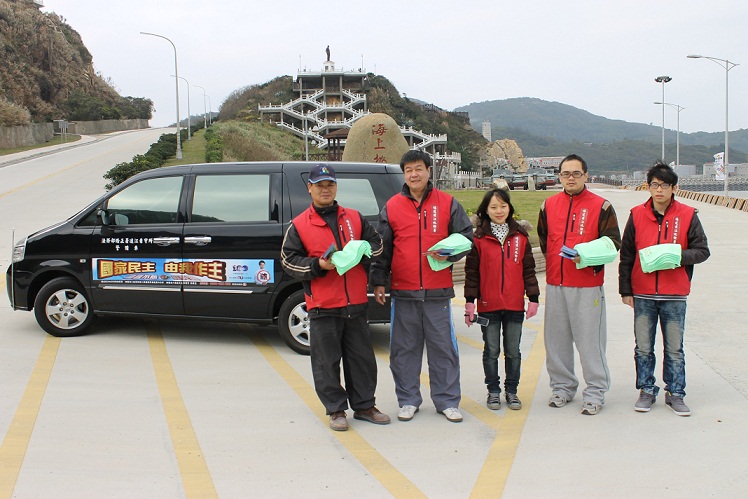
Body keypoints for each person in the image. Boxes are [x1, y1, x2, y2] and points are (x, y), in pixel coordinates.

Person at [281, 163, 390, 431]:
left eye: (329, 184)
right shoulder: (299, 225)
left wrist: (361, 249)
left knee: (362, 359)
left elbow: (378, 245)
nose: (325, 189)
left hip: (355, 303)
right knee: (326, 362)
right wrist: (319, 265)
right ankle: (336, 410)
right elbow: (288, 261)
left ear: (336, 187)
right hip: (322, 305)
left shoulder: (354, 217)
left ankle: (365, 406)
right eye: (319, 185)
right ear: (310, 189)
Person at [370, 150, 474, 423]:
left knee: (443, 348)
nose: (413, 174)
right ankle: (408, 400)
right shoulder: (392, 206)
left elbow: (466, 237)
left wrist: (450, 254)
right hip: (403, 293)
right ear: (404, 174)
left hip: (437, 292)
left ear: (429, 171)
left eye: (418, 168)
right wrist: (379, 281)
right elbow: (382, 248)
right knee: (403, 350)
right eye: (408, 170)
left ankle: (447, 401)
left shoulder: (448, 203)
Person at [618, 162, 710, 416]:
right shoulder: (636, 214)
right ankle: (647, 390)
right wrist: (625, 290)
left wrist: (675, 255)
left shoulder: (688, 215)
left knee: (674, 348)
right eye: (654, 185)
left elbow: (703, 251)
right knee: (643, 347)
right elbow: (626, 255)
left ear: (674, 188)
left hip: (674, 294)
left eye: (664, 185)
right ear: (648, 187)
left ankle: (676, 393)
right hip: (643, 293)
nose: (659, 190)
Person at [537, 154, 621, 415]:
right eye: (565, 173)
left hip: (587, 286)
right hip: (555, 283)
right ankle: (562, 387)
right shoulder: (548, 205)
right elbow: (543, 241)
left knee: (590, 342)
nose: (570, 178)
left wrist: (586, 258)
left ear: (586, 175)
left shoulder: (602, 206)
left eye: (576, 173)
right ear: (559, 176)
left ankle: (595, 392)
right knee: (556, 341)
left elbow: (613, 243)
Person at [464, 188, 540, 411]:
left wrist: (533, 298)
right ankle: (494, 391)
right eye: (494, 207)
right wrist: (470, 302)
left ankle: (512, 391)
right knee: (492, 351)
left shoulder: (521, 237)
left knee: (514, 351)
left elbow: (529, 270)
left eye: (503, 206)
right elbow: (472, 273)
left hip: (515, 305)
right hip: (488, 306)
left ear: (510, 208)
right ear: (486, 210)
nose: (499, 211)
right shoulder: (478, 238)